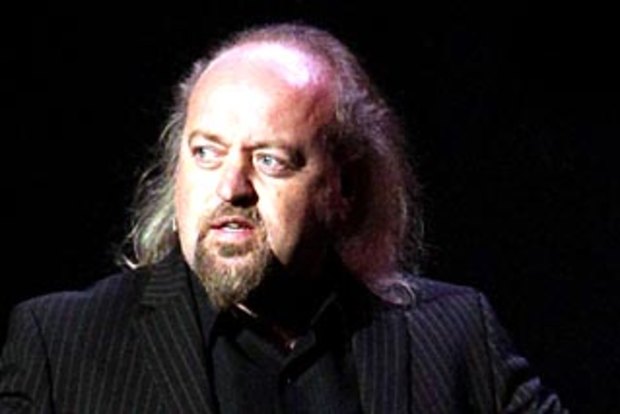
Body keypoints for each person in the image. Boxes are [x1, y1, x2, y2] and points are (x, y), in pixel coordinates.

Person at [0, 23, 565, 413]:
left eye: (270, 160)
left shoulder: (456, 339)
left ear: (343, 188)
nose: (231, 187)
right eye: (206, 152)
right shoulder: (61, 345)